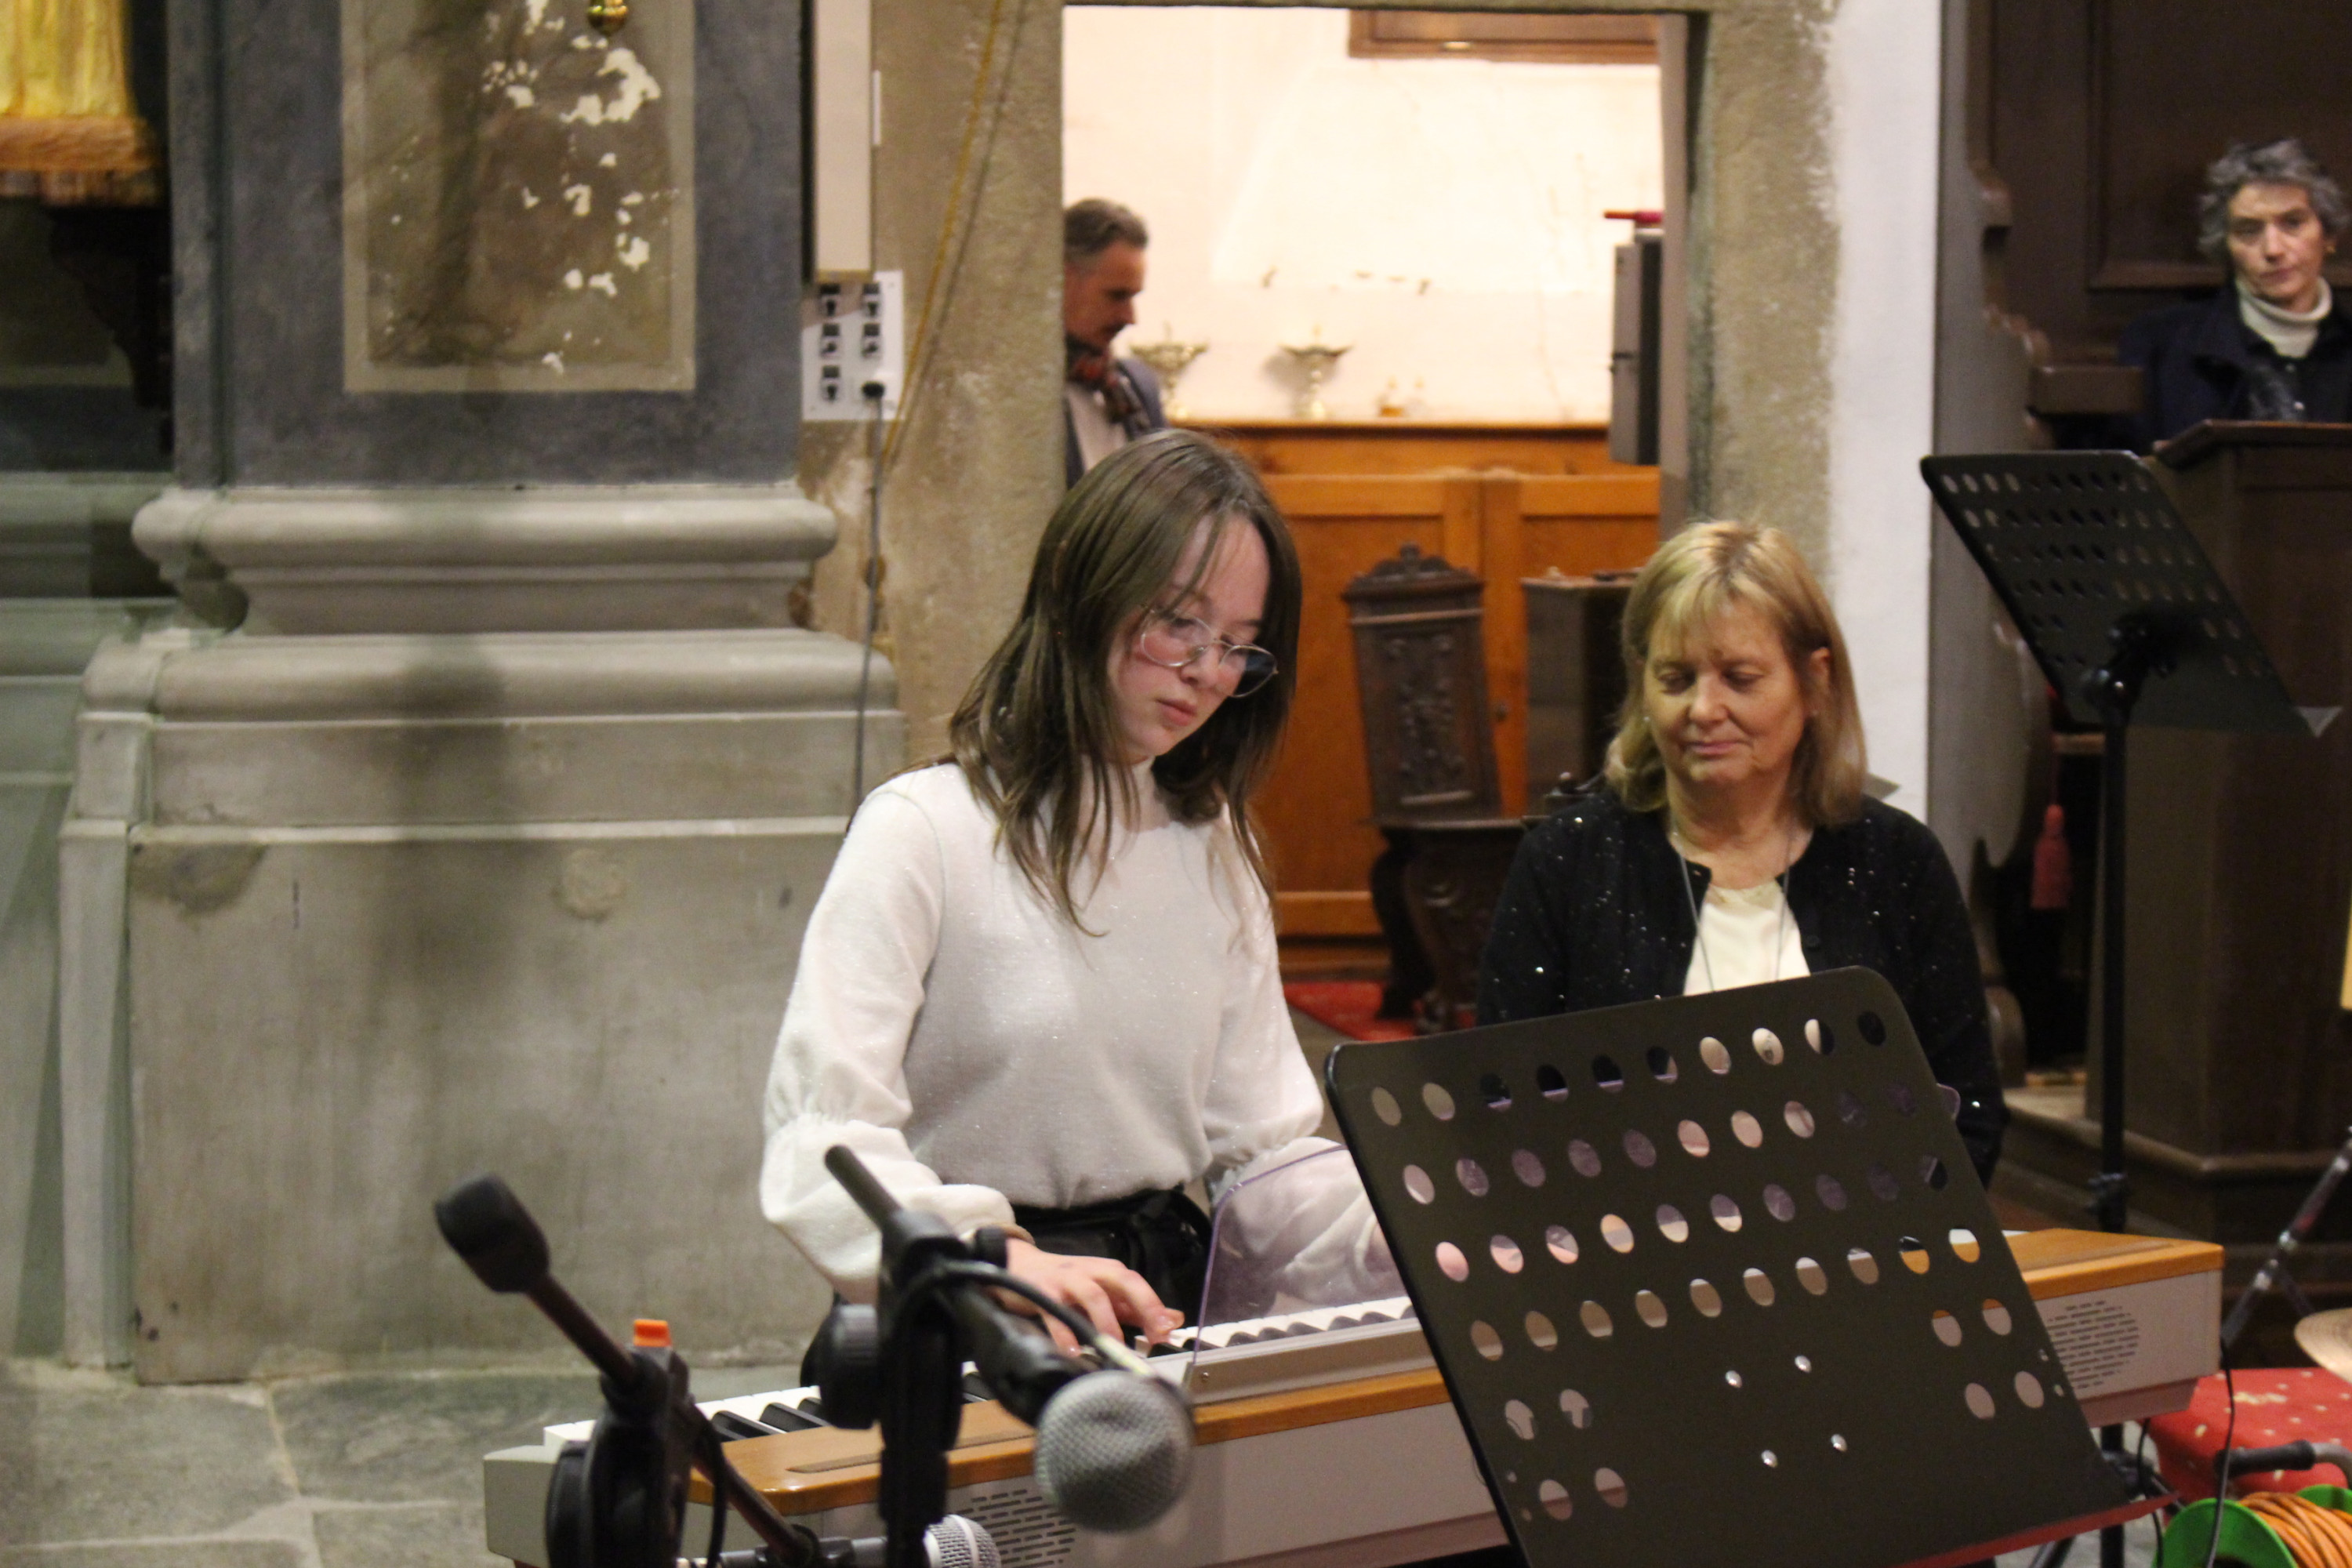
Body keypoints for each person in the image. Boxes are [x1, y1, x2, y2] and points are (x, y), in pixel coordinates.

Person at [760, 430, 1383, 1347]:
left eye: (1238, 646)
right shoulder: (924, 828)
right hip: (977, 1301)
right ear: (1083, 590)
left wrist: (1401, 1224)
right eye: (1179, 622)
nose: (1207, 672)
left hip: (1158, 1304)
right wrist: (994, 1257)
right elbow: (821, 1135)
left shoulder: (1214, 843)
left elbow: (1262, 1154)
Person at [1475, 522, 2007, 1180]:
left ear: (1815, 682)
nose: (1704, 708)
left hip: (1866, 1232)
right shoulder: (1568, 860)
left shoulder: (1897, 860)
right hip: (1627, 1231)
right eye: (1676, 678)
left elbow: (1966, 1113)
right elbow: (1498, 1107)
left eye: (1740, 678)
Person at [2118, 138, 2352, 450]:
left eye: (2293, 223)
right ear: (2226, 245)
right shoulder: (2159, 344)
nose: (2273, 249)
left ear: (2329, 235)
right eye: (2249, 230)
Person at [1063, 198, 1168, 486]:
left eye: (1133, 297)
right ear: (1062, 279)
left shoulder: (1138, 388)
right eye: (1117, 296)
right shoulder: (1020, 396)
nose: (1130, 317)